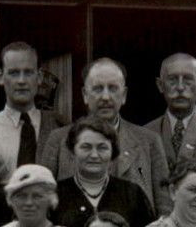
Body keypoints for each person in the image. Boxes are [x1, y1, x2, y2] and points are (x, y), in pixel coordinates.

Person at [41, 57, 171, 213]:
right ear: (84, 94)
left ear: (124, 95)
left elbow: (165, 209)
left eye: (113, 88)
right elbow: (42, 200)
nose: (105, 97)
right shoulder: (58, 140)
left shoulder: (149, 142)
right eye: (97, 89)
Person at [51, 119, 154, 227]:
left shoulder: (132, 193)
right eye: (86, 147)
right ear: (73, 152)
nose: (94, 155)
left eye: (102, 148)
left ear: (113, 153)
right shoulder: (55, 194)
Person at [0, 41, 64, 183]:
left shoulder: (58, 126)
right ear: (0, 77)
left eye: (28, 72)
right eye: (14, 73)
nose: (21, 81)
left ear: (39, 77)